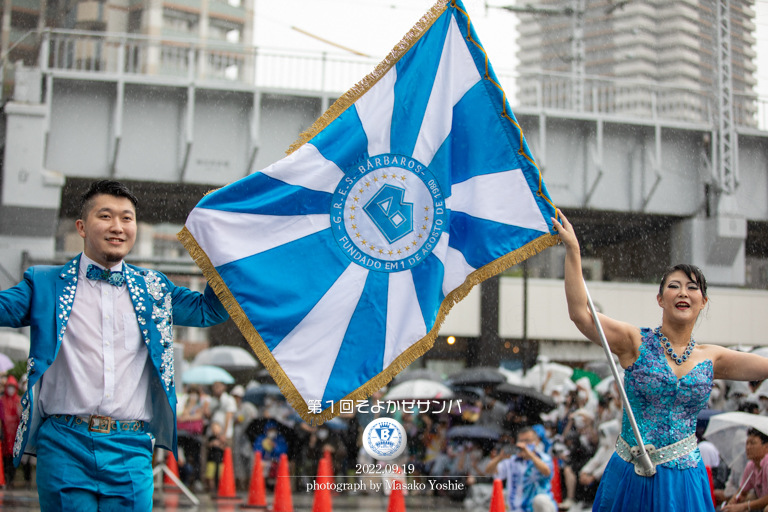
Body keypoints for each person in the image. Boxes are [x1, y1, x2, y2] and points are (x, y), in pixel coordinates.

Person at [0, 180, 229, 510]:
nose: (118, 227)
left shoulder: (155, 289)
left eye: (127, 218)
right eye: (105, 216)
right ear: (81, 226)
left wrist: (221, 246)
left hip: (130, 447)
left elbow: (210, 310)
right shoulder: (45, 284)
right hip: (64, 444)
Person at [553, 210, 768, 512]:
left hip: (684, 482)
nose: (684, 292)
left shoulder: (712, 356)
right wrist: (573, 250)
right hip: (632, 474)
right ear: (660, 298)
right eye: (674, 286)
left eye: (693, 288)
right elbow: (581, 314)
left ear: (703, 301)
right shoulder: (634, 342)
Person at [484, 427, 556, 512]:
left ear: (536, 442)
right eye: (521, 441)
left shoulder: (544, 458)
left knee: (540, 500)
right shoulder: (512, 460)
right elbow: (489, 471)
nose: (523, 444)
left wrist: (529, 454)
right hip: (517, 509)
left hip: (538, 509)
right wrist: (500, 457)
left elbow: (546, 472)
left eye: (527, 441)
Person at [722, 428, 768, 512]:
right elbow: (742, 493)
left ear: (766, 447)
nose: (748, 447)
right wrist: (734, 501)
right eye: (747, 443)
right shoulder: (751, 465)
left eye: (752, 443)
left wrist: (745, 506)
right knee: (745, 500)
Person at [0, 376, 21, 484]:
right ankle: (7, 478)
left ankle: (11, 479)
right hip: (5, 434)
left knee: (14, 456)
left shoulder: (18, 400)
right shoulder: (2, 400)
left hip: (15, 435)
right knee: (5, 457)